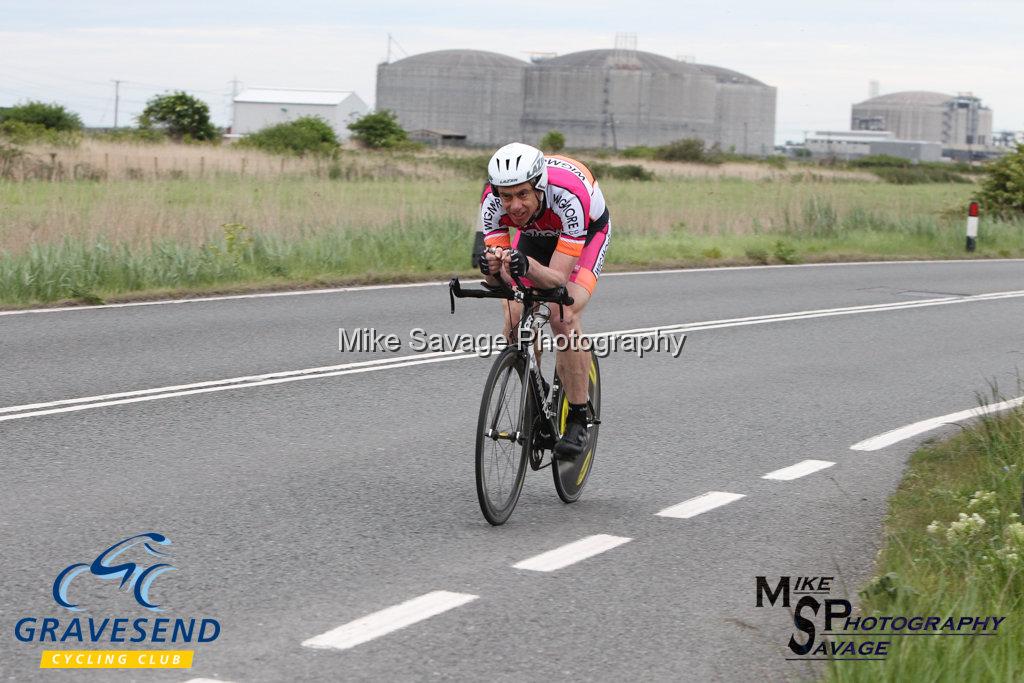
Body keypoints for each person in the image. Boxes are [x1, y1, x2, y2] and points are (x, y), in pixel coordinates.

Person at [477, 142, 610, 461]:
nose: (515, 205)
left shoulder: (568, 198)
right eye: (507, 196)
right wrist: (494, 271)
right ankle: (532, 395)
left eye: (522, 194)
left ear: (539, 185)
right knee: (514, 316)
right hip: (535, 236)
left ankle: (578, 416)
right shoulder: (492, 203)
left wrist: (527, 266)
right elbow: (506, 281)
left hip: (585, 234)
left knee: (561, 316)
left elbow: (557, 280)